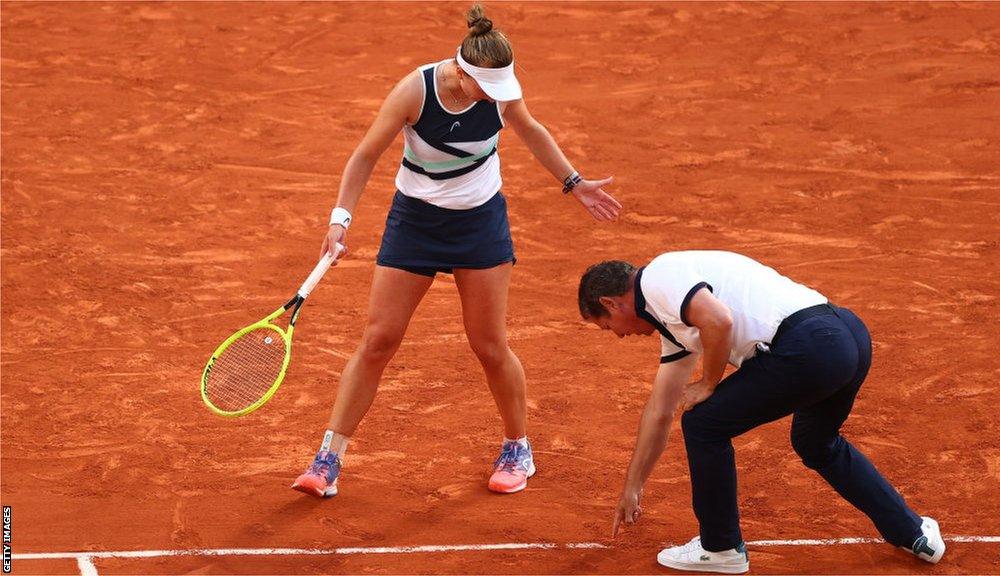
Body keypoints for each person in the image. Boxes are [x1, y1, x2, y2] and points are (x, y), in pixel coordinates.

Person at [291, 3, 621, 499]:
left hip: (479, 224)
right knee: (379, 340)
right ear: (463, 73)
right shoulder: (414, 92)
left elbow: (530, 129)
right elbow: (365, 155)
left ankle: (517, 447)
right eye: (487, 86)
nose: (496, 97)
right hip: (415, 223)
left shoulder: (499, 92)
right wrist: (340, 219)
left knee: (488, 345)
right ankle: (328, 458)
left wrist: (573, 183)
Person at [577, 251, 944, 573]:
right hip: (846, 338)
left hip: (810, 347)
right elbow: (659, 410)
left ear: (611, 303)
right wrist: (633, 487)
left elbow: (719, 321)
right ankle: (914, 534)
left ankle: (720, 547)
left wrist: (709, 383)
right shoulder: (675, 319)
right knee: (815, 442)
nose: (618, 336)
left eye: (607, 327)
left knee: (704, 424)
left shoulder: (658, 277)